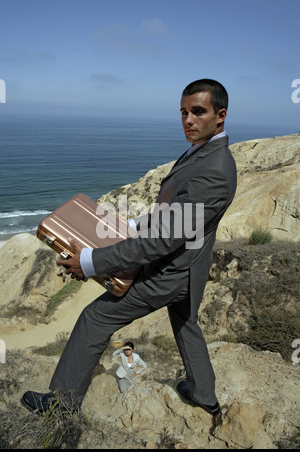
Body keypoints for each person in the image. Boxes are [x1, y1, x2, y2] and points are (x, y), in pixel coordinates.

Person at [21, 78, 237, 416]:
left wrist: (92, 261)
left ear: (220, 115)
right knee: (186, 324)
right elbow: (174, 214)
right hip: (188, 266)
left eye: (198, 112)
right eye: (183, 112)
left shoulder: (215, 171)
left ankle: (62, 406)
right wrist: (133, 226)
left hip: (169, 271)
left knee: (95, 318)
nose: (188, 120)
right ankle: (204, 396)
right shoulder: (205, 152)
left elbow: (162, 240)